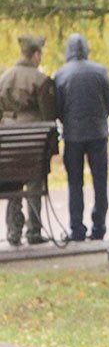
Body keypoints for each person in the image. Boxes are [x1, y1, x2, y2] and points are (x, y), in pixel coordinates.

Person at [54, 33, 109, 242]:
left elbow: (57, 108)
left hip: (73, 136)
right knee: (100, 182)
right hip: (98, 134)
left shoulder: (61, 75)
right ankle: (99, 227)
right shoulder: (100, 71)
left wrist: (69, 121)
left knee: (75, 183)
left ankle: (77, 228)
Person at [0, 34, 57, 246]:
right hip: (34, 146)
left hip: (8, 145)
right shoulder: (41, 80)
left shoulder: (4, 79)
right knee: (35, 180)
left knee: (13, 182)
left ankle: (14, 230)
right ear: (36, 54)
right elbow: (49, 117)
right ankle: (34, 230)